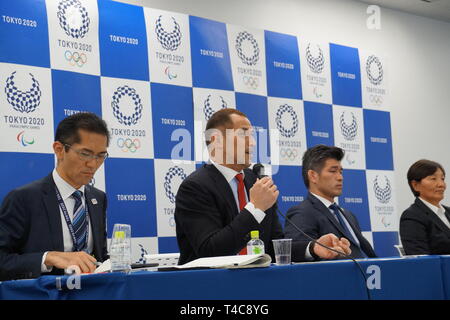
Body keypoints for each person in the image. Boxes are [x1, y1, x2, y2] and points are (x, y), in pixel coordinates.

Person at [175, 109, 351, 265]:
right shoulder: (195, 187)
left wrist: (313, 248)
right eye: (243, 134)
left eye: (252, 136)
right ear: (217, 140)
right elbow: (211, 251)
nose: (252, 143)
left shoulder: (256, 182)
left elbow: (273, 248)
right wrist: (255, 208)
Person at [0, 112, 110, 280]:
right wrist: (48, 258)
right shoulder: (23, 199)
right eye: (85, 154)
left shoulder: (98, 199)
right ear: (59, 149)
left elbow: (99, 256)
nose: (93, 164)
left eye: (101, 155)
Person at [285, 144, 376, 260]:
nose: (340, 177)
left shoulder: (348, 215)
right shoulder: (302, 213)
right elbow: (299, 258)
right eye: (333, 171)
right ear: (313, 176)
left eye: (341, 172)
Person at [400, 159, 450, 255]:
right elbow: (420, 259)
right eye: (433, 179)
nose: (441, 184)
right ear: (415, 185)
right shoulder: (412, 216)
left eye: (442, 179)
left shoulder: (448, 211)